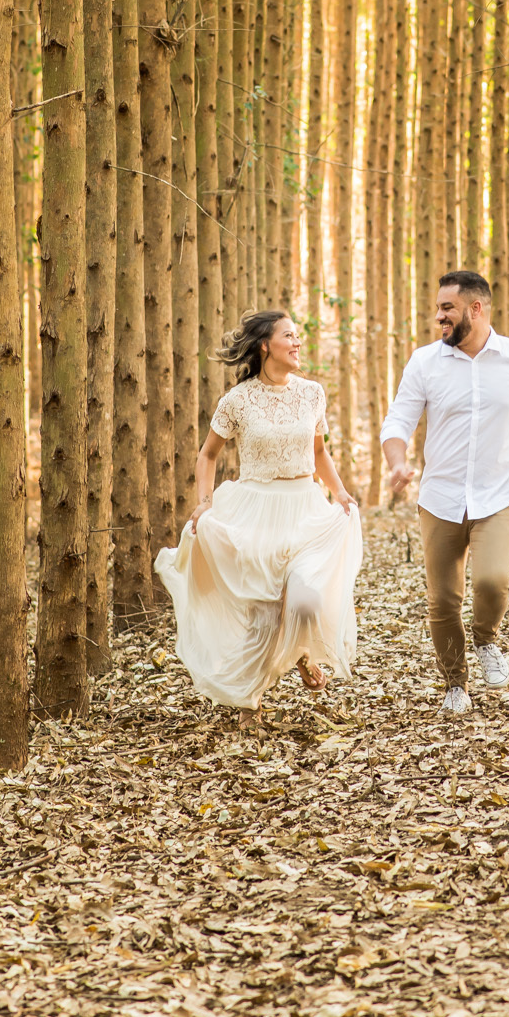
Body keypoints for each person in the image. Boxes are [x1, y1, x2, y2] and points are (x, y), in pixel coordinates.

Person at [155, 310, 363, 727]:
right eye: (289, 335)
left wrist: (338, 491)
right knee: (262, 612)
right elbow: (208, 455)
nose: (297, 342)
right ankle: (249, 700)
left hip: (304, 507)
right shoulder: (238, 400)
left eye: (298, 335)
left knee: (304, 600)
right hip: (254, 510)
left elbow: (319, 452)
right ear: (266, 345)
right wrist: (204, 501)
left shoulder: (312, 394)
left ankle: (302, 652)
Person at [380, 270, 509, 715]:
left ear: (476, 309)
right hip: (440, 497)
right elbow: (397, 422)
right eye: (439, 308)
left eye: (447, 308)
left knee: (491, 581)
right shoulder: (424, 362)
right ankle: (455, 684)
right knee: (443, 599)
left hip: (499, 495)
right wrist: (398, 464)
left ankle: (486, 640)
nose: (438, 316)